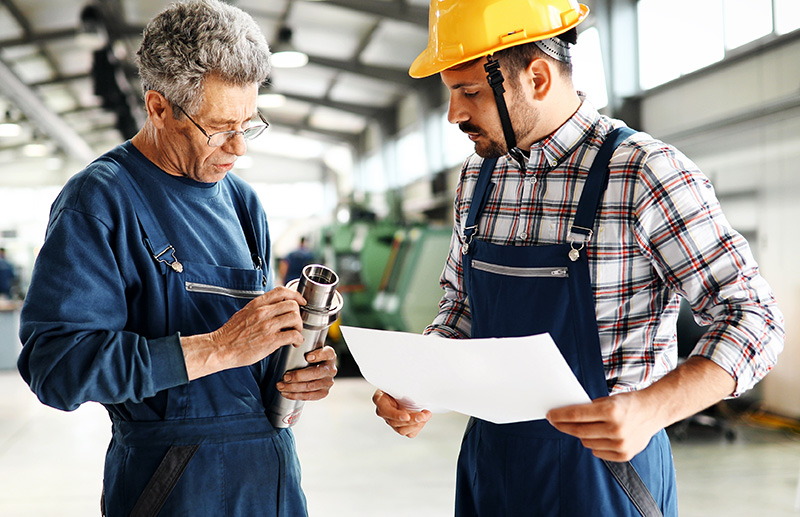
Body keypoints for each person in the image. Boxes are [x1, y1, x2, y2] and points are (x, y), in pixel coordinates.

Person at [372, 1, 784, 516]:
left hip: (608, 476)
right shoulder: (479, 178)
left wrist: (650, 410)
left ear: (538, 77)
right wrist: (422, 381)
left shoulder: (642, 174)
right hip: (492, 467)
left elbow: (754, 318)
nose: (455, 113)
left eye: (469, 92)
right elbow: (461, 306)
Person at [17, 1, 337, 515]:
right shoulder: (100, 202)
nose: (239, 149)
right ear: (159, 107)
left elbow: (251, 360)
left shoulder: (242, 202)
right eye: (219, 127)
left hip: (271, 480)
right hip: (173, 487)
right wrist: (216, 347)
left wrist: (296, 368)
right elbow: (56, 368)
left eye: (249, 124)